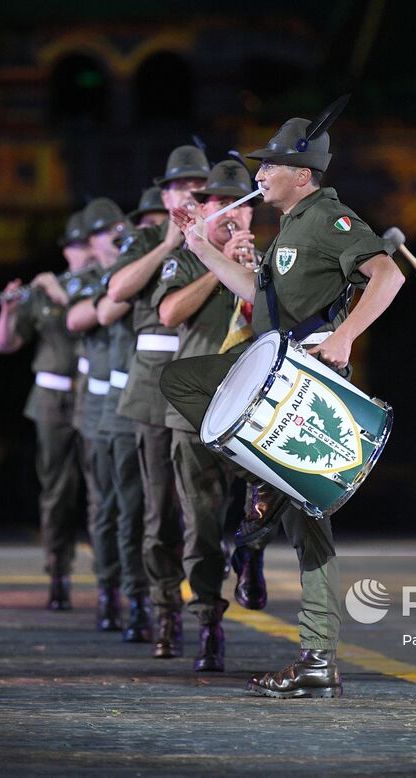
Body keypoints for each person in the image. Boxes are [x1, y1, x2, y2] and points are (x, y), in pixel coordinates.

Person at [160, 102, 404, 698]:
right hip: (275, 373)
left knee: (312, 524)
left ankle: (318, 657)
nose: (260, 174)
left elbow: (388, 276)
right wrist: (202, 248)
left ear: (303, 173)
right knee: (182, 383)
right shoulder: (291, 226)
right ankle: (259, 484)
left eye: (270, 165)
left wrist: (345, 338)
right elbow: (257, 293)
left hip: (308, 382)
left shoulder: (327, 217)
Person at [152, 160, 262, 671]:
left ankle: (251, 555)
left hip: (248, 408)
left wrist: (247, 268)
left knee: (264, 500)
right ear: (209, 209)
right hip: (195, 413)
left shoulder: (260, 258)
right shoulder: (188, 259)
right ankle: (208, 625)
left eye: (245, 208)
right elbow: (169, 313)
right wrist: (218, 268)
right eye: (226, 208)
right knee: (199, 523)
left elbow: (271, 314)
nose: (236, 219)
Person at [105, 146, 211, 659]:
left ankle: (208, 609)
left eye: (198, 187)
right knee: (159, 510)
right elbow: (118, 289)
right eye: (179, 187)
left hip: (207, 378)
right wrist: (168, 241)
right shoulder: (149, 238)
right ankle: (165, 610)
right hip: (153, 384)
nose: (188, 195)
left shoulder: (221, 237)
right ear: (165, 194)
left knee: (203, 508)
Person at [0, 209, 92, 611]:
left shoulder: (99, 287)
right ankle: (58, 573)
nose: (80, 252)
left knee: (104, 491)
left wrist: (60, 296)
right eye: (74, 245)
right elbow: (6, 344)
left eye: (86, 244)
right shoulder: (46, 291)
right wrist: (9, 310)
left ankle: (116, 580)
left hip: (92, 394)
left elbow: (91, 322)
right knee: (56, 489)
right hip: (51, 398)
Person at [66, 197, 138, 632]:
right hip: (99, 409)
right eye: (101, 231)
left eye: (117, 226)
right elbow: (84, 316)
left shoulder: (142, 264)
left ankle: (140, 594)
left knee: (141, 508)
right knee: (106, 506)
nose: (112, 236)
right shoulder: (92, 278)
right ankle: (110, 591)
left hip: (143, 401)